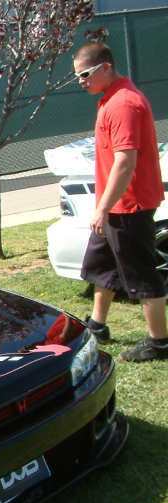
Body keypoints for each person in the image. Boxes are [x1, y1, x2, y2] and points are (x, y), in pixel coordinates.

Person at [72, 41, 168, 361]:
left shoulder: (124, 104)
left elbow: (125, 163)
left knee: (142, 274)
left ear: (106, 67)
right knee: (102, 267)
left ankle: (160, 343)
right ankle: (98, 325)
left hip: (129, 206)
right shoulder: (109, 99)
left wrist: (102, 208)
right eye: (78, 76)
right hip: (114, 206)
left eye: (85, 74)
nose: (81, 81)